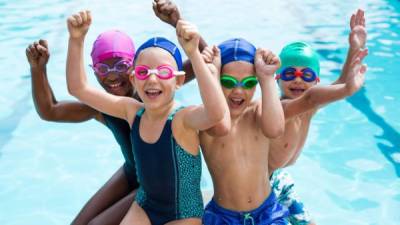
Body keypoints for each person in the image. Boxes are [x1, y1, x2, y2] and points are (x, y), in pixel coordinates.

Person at [26, 2, 205, 224]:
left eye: (120, 65)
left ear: (134, 68)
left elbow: (206, 59)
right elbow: (50, 111)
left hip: (157, 184)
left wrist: (176, 21)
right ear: (94, 70)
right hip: (132, 172)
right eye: (103, 69)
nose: (112, 76)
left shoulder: (154, 92)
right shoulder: (103, 105)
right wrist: (38, 69)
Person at [66, 9, 229, 225]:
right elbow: (78, 88)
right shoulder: (132, 111)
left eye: (163, 72)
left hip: (182, 213)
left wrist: (194, 55)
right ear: (134, 79)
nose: (152, 79)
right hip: (144, 205)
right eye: (143, 72)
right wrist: (76, 40)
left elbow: (216, 113)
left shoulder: (182, 119)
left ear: (178, 82)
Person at [268, 9, 368, 224]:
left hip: (280, 178)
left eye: (306, 75)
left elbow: (340, 83)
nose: (297, 80)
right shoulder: (279, 109)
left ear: (315, 80)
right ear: (277, 79)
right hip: (260, 184)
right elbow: (314, 97)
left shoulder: (308, 108)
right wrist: (347, 89)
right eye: (289, 74)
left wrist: (354, 48)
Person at [200, 38, 288, 225]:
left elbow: (276, 130)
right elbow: (219, 125)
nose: (238, 91)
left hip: (267, 212)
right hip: (223, 217)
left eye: (248, 83)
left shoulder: (258, 112)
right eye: (228, 82)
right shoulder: (207, 118)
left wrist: (267, 78)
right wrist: (211, 76)